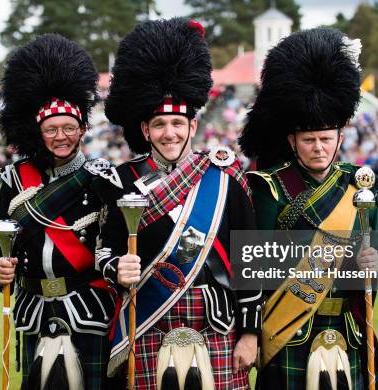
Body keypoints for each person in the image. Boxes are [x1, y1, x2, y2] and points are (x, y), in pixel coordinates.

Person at [93, 18, 262, 389]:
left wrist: (250, 334)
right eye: (159, 124)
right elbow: (104, 251)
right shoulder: (120, 181)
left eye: (176, 122)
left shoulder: (224, 176)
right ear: (144, 130)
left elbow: (249, 260)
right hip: (148, 321)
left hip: (215, 323)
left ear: (192, 125)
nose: (168, 133)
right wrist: (116, 269)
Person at [239, 28, 378, 389]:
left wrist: (375, 264)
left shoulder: (363, 183)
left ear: (341, 137)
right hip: (288, 331)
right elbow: (253, 269)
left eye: (326, 138)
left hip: (349, 330)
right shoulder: (269, 186)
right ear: (292, 140)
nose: (319, 148)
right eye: (309, 139)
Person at [0, 34, 117, 389]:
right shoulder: (16, 178)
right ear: (39, 133)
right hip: (33, 309)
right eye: (52, 129)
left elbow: (116, 243)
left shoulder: (101, 178)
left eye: (69, 128)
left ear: (83, 129)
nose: (61, 136)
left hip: (87, 308)